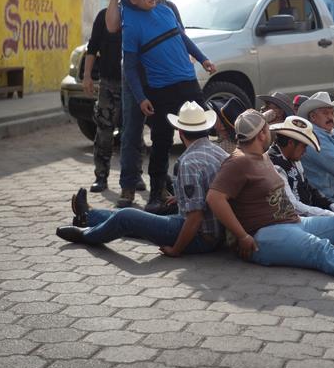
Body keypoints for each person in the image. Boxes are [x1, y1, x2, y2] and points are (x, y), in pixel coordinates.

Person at [206, 110, 334, 284]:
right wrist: (242, 236)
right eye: (267, 129)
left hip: (291, 223)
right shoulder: (238, 162)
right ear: (261, 134)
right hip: (264, 235)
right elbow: (215, 198)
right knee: (321, 250)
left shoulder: (262, 155)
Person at [55, 101, 228, 256]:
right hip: (212, 231)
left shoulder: (189, 162)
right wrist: (182, 198)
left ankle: (85, 234)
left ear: (180, 131)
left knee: (127, 216)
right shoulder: (218, 152)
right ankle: (89, 216)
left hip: (201, 237)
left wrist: (176, 250)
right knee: (139, 220)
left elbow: (195, 217)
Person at [112, 0, 216, 214]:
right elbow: (129, 68)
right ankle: (157, 192)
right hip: (161, 89)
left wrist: (204, 59)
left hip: (188, 82)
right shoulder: (131, 25)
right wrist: (141, 98)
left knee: (202, 133)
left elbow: (182, 38)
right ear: (132, 0)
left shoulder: (166, 10)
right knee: (162, 141)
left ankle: (208, 185)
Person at [104, 0, 185, 208]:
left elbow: (180, 38)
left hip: (161, 80)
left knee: (163, 134)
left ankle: (159, 188)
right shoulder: (127, 7)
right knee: (131, 131)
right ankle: (128, 187)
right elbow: (110, 26)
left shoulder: (168, 8)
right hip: (134, 79)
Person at [84, 0, 125, 194]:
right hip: (108, 83)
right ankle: (101, 177)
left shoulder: (134, 17)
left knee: (132, 134)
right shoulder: (103, 17)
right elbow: (92, 48)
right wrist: (87, 75)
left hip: (131, 85)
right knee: (104, 132)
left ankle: (133, 176)